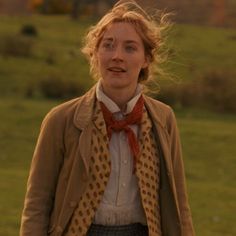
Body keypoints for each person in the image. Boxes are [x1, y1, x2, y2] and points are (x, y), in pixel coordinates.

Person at [20, 1, 195, 235]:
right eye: (108, 45)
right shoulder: (61, 120)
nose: (117, 56)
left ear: (146, 59)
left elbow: (179, 203)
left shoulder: (163, 119)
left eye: (130, 48)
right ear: (95, 54)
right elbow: (37, 203)